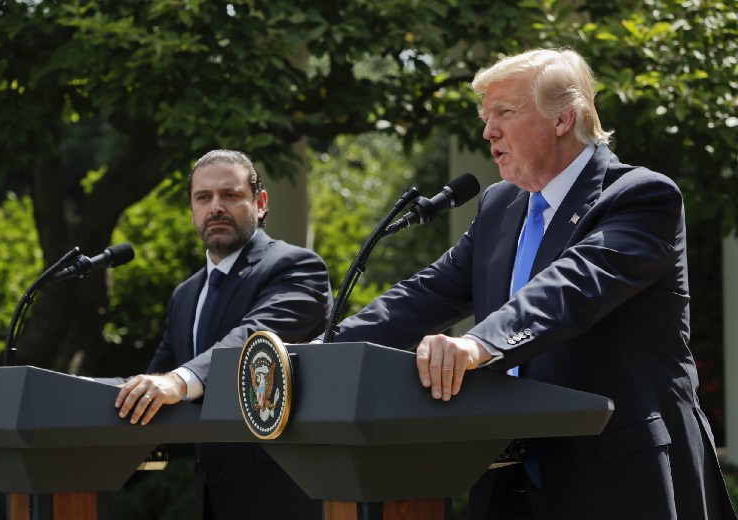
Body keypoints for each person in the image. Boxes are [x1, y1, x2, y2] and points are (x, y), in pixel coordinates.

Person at [330, 48, 737, 520]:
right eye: (486, 117)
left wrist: (477, 345)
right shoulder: (501, 206)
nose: (488, 131)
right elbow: (427, 293)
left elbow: (571, 287)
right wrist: (322, 349)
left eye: (505, 112)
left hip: (617, 477)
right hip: (508, 482)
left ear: (565, 118)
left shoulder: (641, 198)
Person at [115, 149, 331, 520]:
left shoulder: (296, 268)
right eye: (203, 197)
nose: (216, 207)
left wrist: (181, 381)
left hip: (290, 497)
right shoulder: (185, 296)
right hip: (214, 497)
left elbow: (253, 341)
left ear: (260, 203)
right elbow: (157, 378)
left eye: (230, 195)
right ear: (192, 210)